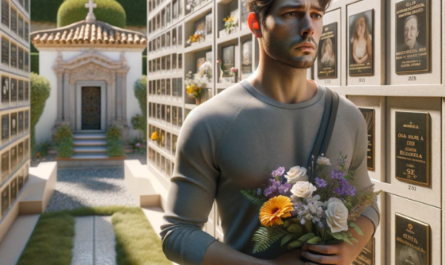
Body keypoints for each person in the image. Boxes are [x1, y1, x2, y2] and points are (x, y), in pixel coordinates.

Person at [160, 0, 380, 264]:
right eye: (292, 13)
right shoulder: (209, 122)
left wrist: (350, 248)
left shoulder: (348, 116)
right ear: (256, 25)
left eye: (316, 15)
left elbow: (367, 201)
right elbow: (177, 233)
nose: (309, 27)